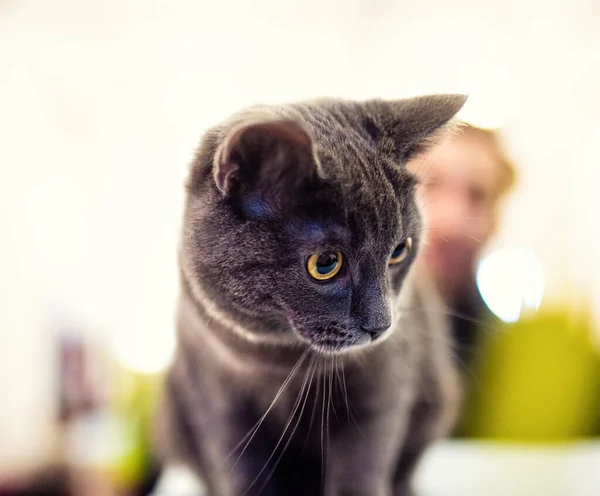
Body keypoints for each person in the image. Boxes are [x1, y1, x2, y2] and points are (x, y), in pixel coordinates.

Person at [408, 123, 516, 367]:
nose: (452, 222)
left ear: (495, 222)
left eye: (477, 196)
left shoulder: (504, 359)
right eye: (431, 182)